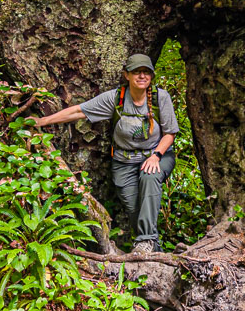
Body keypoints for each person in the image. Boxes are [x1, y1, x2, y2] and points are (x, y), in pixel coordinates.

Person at [31, 54, 179, 252]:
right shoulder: (116, 98)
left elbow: (170, 133)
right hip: (124, 160)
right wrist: (42, 121)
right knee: (135, 207)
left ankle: (146, 241)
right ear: (127, 75)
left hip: (157, 155)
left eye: (146, 72)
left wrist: (156, 156)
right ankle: (154, 250)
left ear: (151, 76)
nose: (142, 76)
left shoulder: (161, 98)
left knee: (149, 176)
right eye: (137, 72)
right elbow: (79, 111)